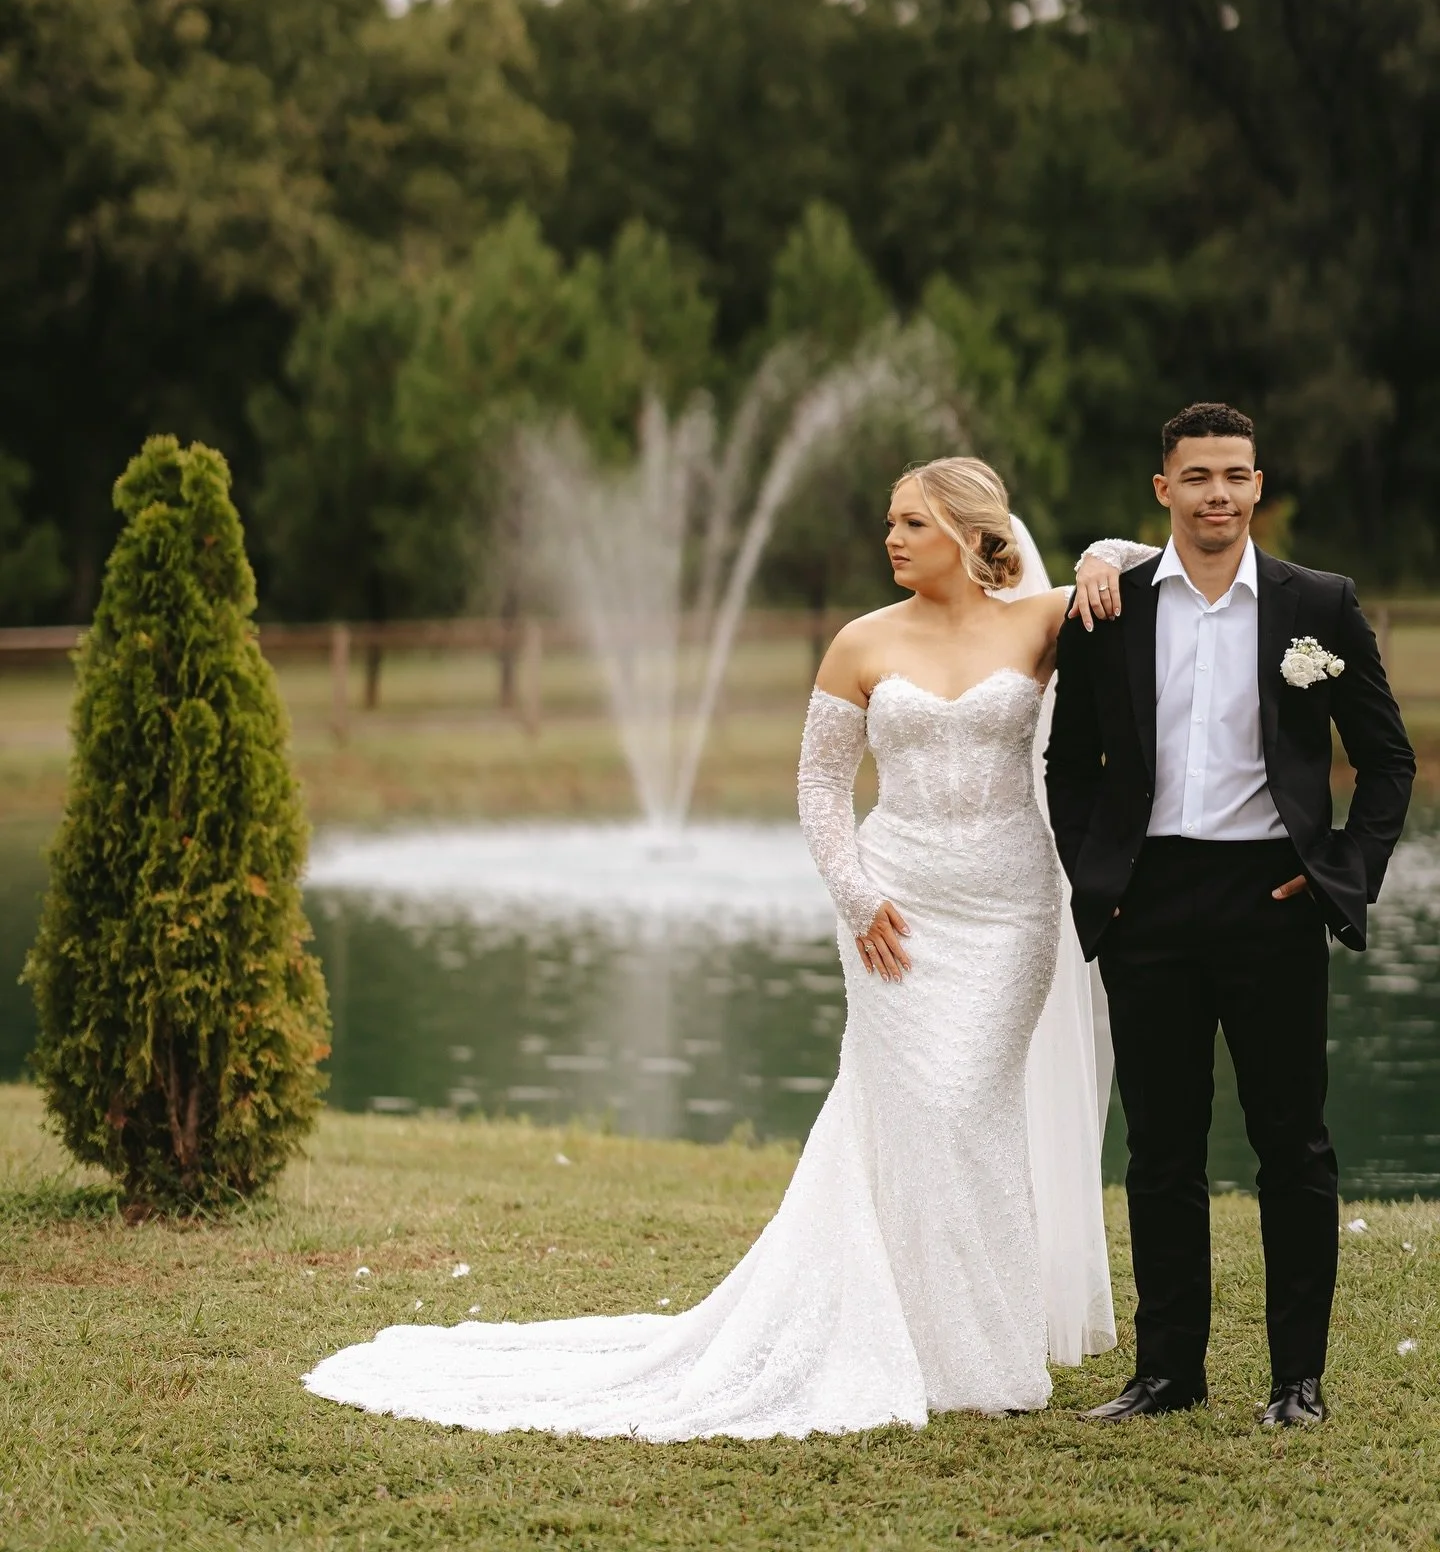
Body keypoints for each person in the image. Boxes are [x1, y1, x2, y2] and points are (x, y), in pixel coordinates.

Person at [304, 458, 1132, 1438]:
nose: (892, 538)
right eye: (888, 522)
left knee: (975, 1111)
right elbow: (821, 785)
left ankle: (986, 1354)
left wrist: (1101, 554)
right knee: (917, 1112)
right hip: (894, 909)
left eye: (911, 522)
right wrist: (856, 892)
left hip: (1007, 909)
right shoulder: (862, 643)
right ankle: (911, 1333)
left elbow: (1160, 568)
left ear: (965, 528)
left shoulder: (1038, 622)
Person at [1046, 402, 1415, 1428]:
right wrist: (1098, 876)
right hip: (1148, 907)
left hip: (1273, 902)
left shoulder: (1319, 606)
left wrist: (1343, 872)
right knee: (1161, 1148)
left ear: (1258, 487)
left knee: (1292, 1144)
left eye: (1236, 476)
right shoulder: (1110, 608)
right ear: (1163, 489)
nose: (1218, 494)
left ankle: (1297, 1382)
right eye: (1197, 476)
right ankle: (1169, 1373)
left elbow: (1387, 762)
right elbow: (1068, 767)